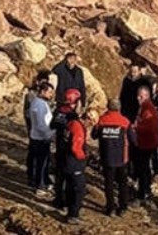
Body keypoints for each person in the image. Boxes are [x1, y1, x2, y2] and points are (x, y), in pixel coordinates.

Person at [52, 88, 89, 222]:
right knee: (76, 186)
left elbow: (53, 125)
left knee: (61, 178)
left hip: (61, 148)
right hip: (71, 154)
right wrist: (83, 157)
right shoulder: (73, 119)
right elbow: (76, 144)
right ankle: (72, 212)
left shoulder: (59, 111)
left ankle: (59, 201)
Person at [91, 99, 132, 216]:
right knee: (122, 183)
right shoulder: (125, 122)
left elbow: (93, 136)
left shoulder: (102, 121)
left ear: (107, 107)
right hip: (121, 158)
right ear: (119, 108)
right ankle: (123, 207)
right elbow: (133, 139)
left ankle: (111, 208)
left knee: (108, 183)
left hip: (106, 157)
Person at [130, 85, 158, 203]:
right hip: (146, 141)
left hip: (146, 143)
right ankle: (146, 188)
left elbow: (150, 126)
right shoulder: (144, 107)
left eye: (141, 96)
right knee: (145, 168)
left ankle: (143, 192)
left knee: (142, 168)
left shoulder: (148, 109)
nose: (138, 98)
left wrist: (136, 127)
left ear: (147, 96)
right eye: (138, 96)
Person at [24, 80, 54, 197]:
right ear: (42, 92)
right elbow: (41, 124)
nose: (51, 95)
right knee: (42, 163)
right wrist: (50, 135)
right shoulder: (40, 105)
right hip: (41, 138)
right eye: (49, 92)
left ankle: (40, 182)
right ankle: (40, 186)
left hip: (36, 136)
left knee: (38, 162)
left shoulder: (37, 103)